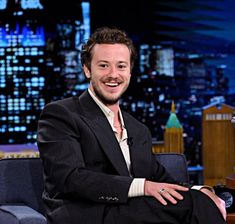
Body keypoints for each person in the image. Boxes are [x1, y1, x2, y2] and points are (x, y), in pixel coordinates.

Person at [37, 27, 226, 224]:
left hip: (134, 214)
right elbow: (71, 179)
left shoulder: (137, 129)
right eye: (103, 66)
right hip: (86, 214)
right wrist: (143, 187)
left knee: (197, 200)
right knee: (192, 205)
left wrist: (201, 191)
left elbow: (163, 183)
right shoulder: (61, 114)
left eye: (121, 66)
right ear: (87, 69)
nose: (113, 75)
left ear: (130, 71)